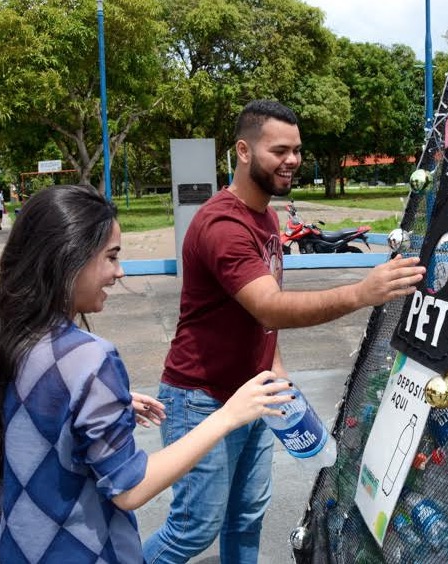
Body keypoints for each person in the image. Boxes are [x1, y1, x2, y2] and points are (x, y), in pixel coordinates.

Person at [143, 100, 426, 564]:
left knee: (247, 516)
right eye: (279, 150)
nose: (292, 160)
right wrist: (361, 292)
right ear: (244, 151)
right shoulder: (223, 224)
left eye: (296, 150)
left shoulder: (266, 218)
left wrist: (277, 375)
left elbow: (256, 322)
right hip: (201, 398)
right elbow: (270, 309)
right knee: (192, 531)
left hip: (255, 395)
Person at [0, 184, 294, 563]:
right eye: (111, 257)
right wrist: (228, 416)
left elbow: (38, 412)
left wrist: (101, 405)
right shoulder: (89, 357)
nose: (119, 272)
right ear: (69, 257)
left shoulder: (10, 340)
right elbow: (129, 488)